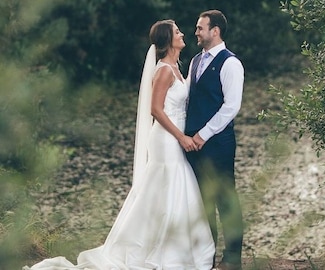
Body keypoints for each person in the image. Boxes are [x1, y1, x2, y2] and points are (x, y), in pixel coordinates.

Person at [23, 19, 215, 270]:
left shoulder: (177, 67)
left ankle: (175, 245)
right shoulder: (164, 71)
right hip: (167, 139)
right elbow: (155, 109)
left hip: (176, 136)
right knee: (168, 184)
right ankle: (161, 249)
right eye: (177, 31)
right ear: (169, 40)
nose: (183, 34)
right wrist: (181, 137)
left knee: (168, 187)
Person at [185, 10, 244, 270]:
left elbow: (231, 107)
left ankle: (232, 258)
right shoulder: (195, 61)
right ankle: (206, 257)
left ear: (215, 30)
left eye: (200, 28)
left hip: (218, 143)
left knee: (225, 199)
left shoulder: (231, 63)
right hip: (192, 145)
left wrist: (203, 134)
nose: (196, 32)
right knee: (202, 201)